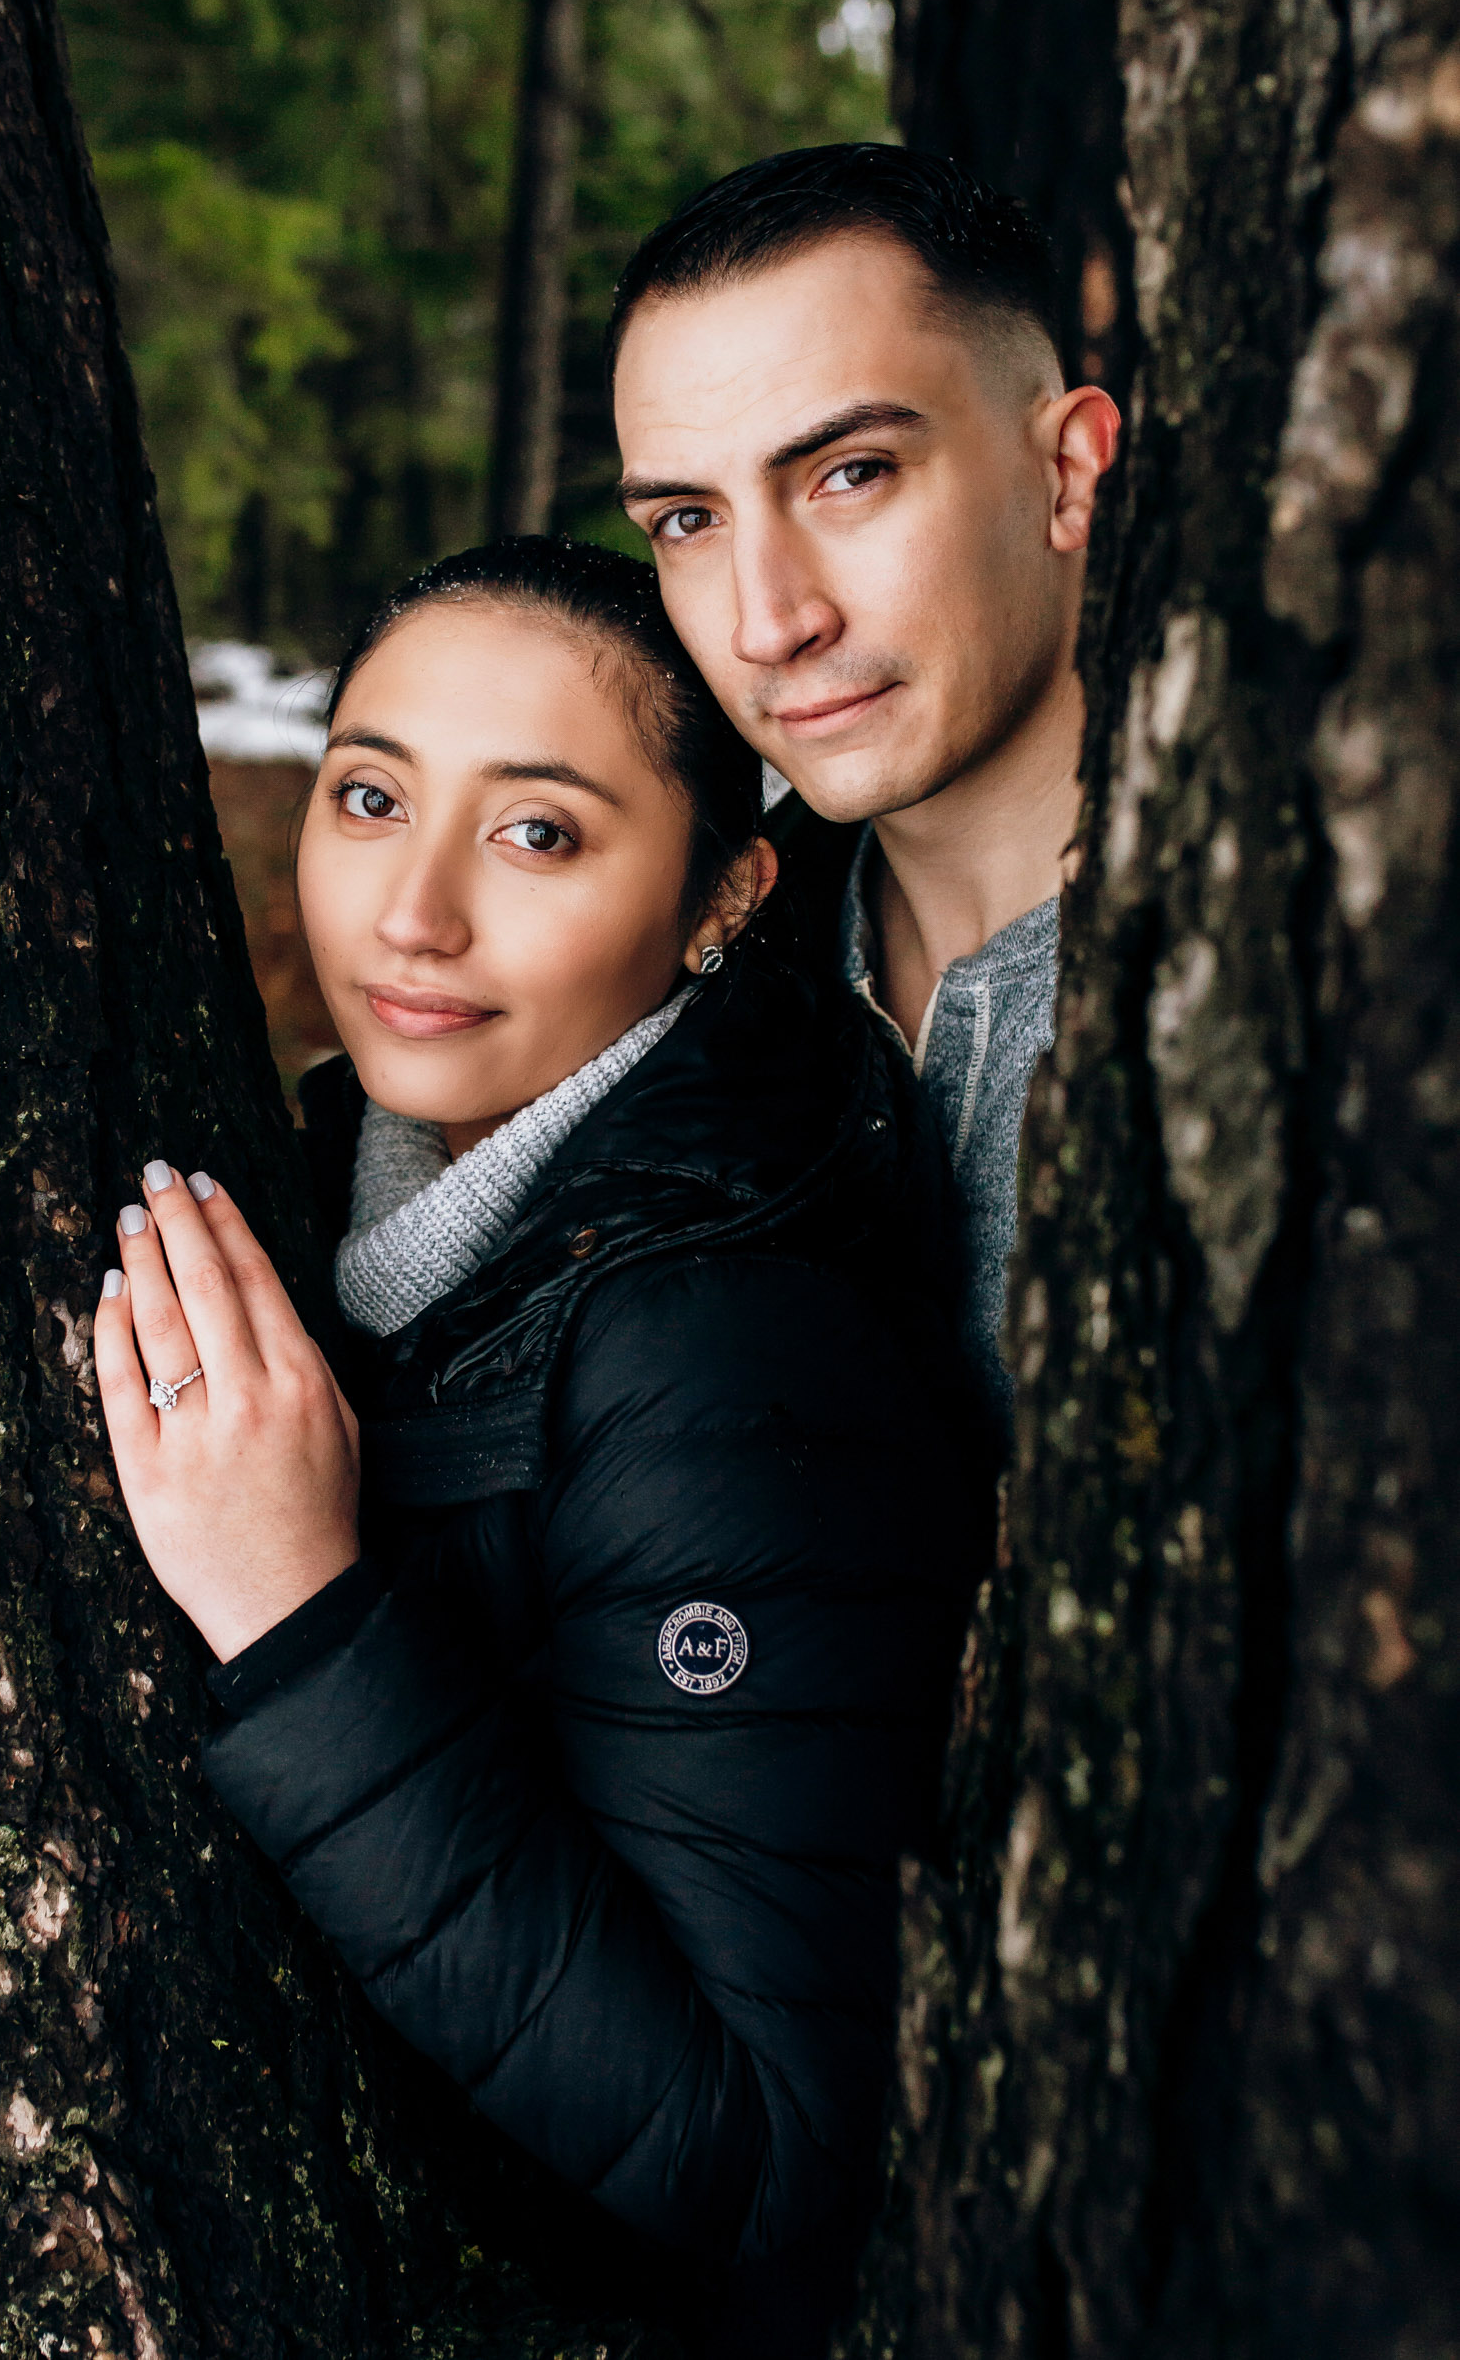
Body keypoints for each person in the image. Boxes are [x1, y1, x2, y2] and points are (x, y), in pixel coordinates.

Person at [93, 539, 993, 2356]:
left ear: (724, 897)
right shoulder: (404, 1218)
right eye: (368, 796)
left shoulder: (723, 1347)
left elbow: (772, 2150)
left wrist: (302, 1617)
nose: (409, 916)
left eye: (537, 834)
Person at [611, 144, 1122, 1419]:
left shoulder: (1321, 963)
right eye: (688, 519)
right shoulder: (666, 1003)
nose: (765, 622)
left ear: (1064, 471)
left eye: (848, 474)